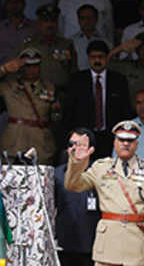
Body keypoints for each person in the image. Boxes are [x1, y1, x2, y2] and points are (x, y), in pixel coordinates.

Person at [64, 120, 144, 266]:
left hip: (137, 246)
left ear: (137, 144)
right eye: (121, 139)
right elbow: (73, 185)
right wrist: (77, 162)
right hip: (108, 246)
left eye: (130, 140)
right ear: (114, 143)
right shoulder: (101, 167)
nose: (125, 143)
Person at [0, 48, 58, 165]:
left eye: (35, 66)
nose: (31, 70)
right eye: (27, 66)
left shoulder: (49, 87)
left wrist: (56, 111)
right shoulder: (10, 85)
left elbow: (56, 117)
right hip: (15, 143)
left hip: (40, 143)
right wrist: (4, 69)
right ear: (21, 67)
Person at [64, 40, 133, 159]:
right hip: (84, 137)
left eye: (100, 57)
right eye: (93, 57)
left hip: (111, 136)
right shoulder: (77, 80)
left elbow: (125, 111)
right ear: (88, 58)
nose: (97, 61)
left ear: (107, 58)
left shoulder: (118, 80)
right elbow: (69, 112)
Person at [55, 127, 101, 266]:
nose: (75, 148)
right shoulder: (57, 174)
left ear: (91, 149)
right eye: (71, 144)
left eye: (80, 145)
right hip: (65, 245)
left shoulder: (98, 172)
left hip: (93, 245)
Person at [71, 4, 109, 70]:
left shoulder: (106, 42)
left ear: (96, 19)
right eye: (83, 18)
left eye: (90, 17)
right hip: (78, 77)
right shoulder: (71, 41)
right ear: (78, 21)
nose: (87, 21)